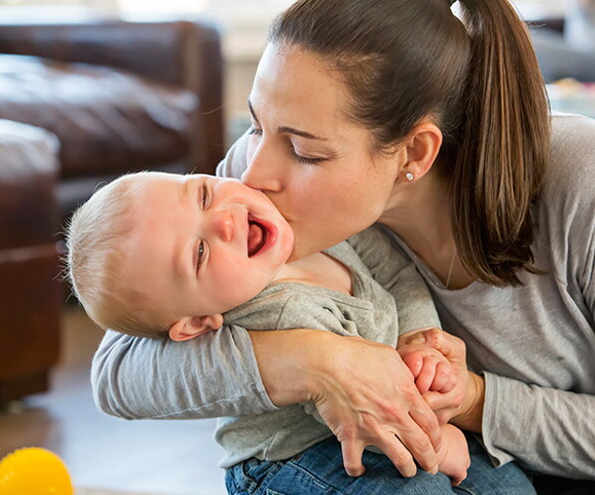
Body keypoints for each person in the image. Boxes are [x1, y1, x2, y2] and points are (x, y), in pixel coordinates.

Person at [91, 0, 595, 493]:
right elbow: (119, 370)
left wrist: (473, 400)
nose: (253, 174)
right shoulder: (243, 196)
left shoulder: (581, 183)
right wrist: (317, 361)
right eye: (255, 124)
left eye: (305, 152)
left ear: (414, 153)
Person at [66, 171, 477, 487]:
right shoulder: (280, 313)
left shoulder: (312, 225)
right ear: (195, 323)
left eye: (204, 194)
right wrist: (438, 441)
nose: (224, 222)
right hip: (298, 462)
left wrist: (419, 337)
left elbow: (394, 271)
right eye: (200, 252)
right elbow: (365, 413)